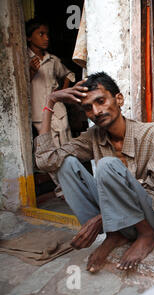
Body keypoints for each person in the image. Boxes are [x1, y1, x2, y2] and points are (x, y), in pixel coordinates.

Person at [34, 72, 154, 273]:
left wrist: (102, 216)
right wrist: (51, 101)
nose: (96, 111)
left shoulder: (153, 132)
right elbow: (46, 161)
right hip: (116, 220)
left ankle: (147, 236)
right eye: (88, 108)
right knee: (65, 164)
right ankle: (115, 235)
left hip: (151, 217)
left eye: (100, 101)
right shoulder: (93, 137)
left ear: (119, 99)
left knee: (107, 166)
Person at [26, 18, 76, 198]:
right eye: (41, 34)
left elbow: (69, 73)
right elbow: (21, 88)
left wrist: (63, 90)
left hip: (59, 112)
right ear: (29, 37)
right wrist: (31, 71)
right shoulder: (22, 60)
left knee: (67, 147)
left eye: (47, 34)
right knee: (50, 152)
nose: (46, 38)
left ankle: (72, 184)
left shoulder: (52, 59)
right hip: (40, 114)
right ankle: (63, 188)